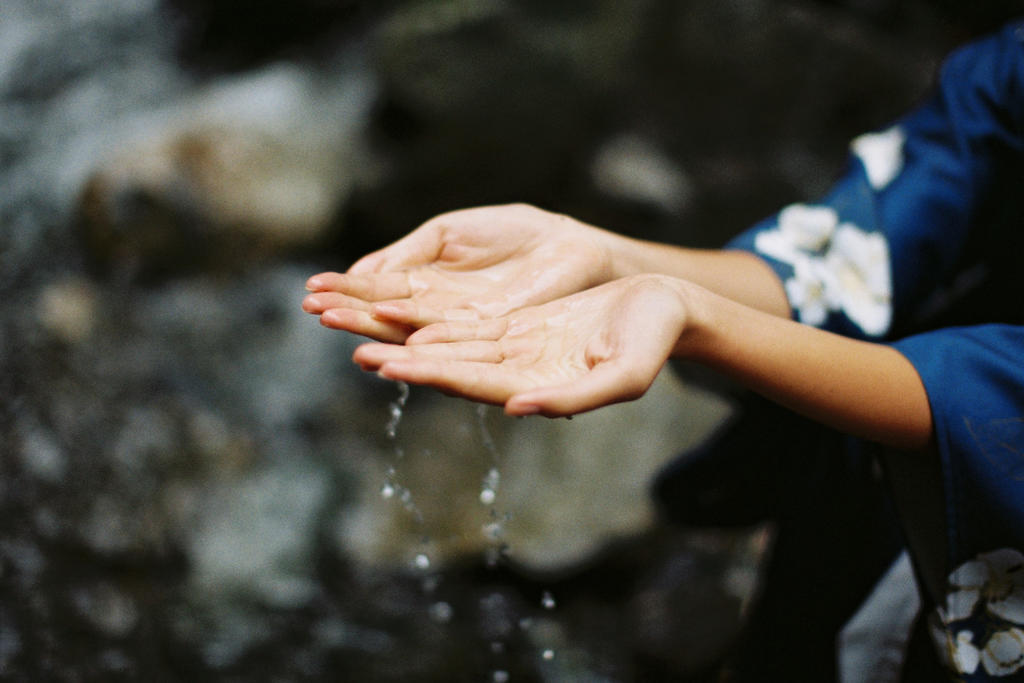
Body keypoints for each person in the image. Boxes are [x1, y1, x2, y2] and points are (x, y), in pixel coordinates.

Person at [303, 21, 1024, 682]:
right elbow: (852, 258)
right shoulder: (1010, 64)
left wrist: (698, 319)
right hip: (871, 509)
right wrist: (604, 255)